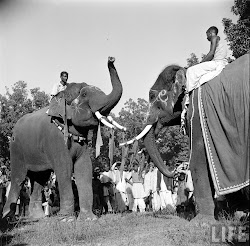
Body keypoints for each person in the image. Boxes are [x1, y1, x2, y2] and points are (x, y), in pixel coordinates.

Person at [181, 26, 228, 125]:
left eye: (207, 35)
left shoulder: (214, 38)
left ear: (211, 33)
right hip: (220, 63)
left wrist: (199, 64)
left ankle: (189, 95)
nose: (207, 37)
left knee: (191, 71)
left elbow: (211, 54)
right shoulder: (219, 40)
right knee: (200, 79)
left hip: (217, 63)